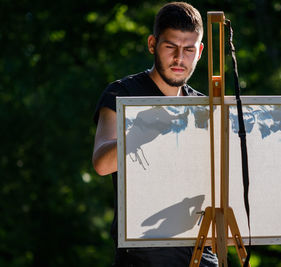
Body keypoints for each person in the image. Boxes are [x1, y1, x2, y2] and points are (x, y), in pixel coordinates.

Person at [92, 2, 218, 266]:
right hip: (143, 252)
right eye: (170, 47)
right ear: (152, 44)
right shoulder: (123, 93)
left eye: (189, 49)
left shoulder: (205, 107)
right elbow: (102, 164)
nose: (179, 58)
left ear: (200, 51)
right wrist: (142, 133)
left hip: (201, 251)